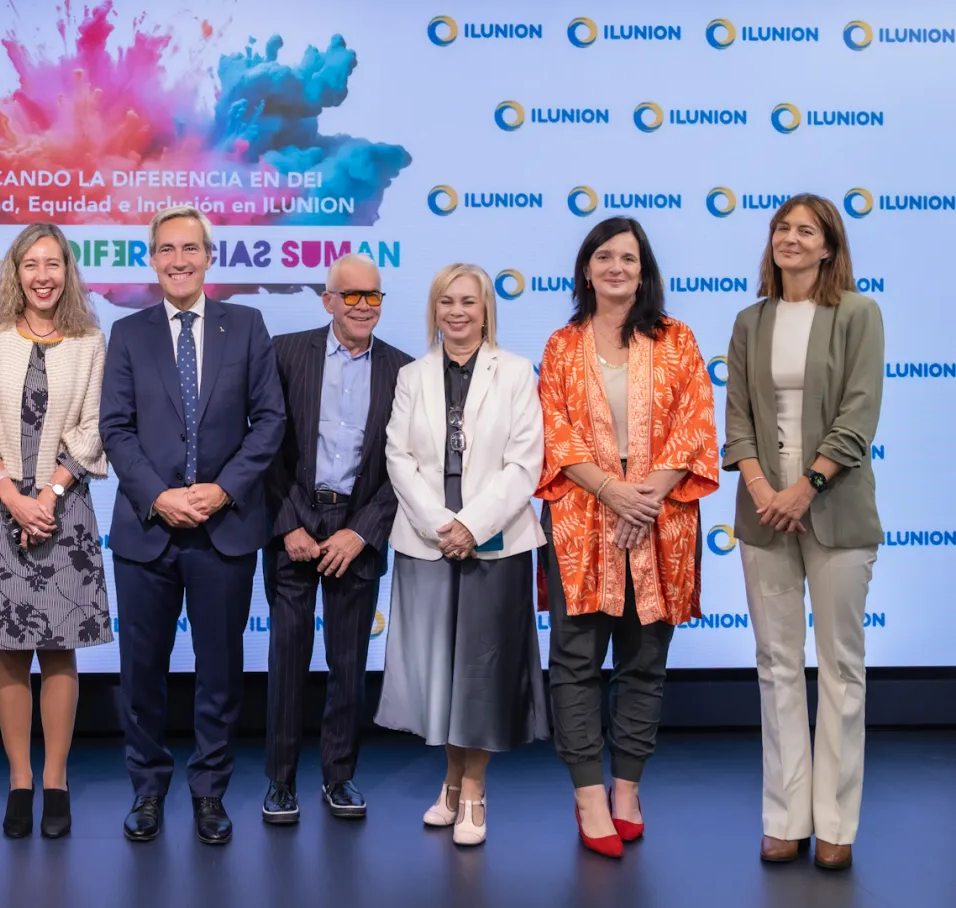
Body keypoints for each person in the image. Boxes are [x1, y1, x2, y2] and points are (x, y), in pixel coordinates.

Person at [100, 205, 285, 845]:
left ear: (210, 257)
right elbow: (115, 430)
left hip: (223, 530)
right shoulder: (127, 332)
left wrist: (222, 490)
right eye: (166, 250)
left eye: (190, 249)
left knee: (220, 674)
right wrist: (158, 495)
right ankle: (147, 790)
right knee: (141, 674)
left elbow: (270, 423)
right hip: (146, 531)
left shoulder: (248, 325)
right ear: (152, 260)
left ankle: (210, 792)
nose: (178, 260)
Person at [536, 217, 719, 858]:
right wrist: (612, 492)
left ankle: (627, 790)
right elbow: (555, 434)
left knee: (644, 664)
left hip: (660, 522)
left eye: (629, 259)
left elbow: (696, 426)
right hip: (581, 522)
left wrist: (646, 494)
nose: (617, 267)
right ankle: (588, 794)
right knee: (577, 663)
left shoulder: (677, 340)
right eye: (604, 257)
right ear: (586, 269)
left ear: (645, 272)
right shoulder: (562, 346)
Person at [723, 194, 884, 871]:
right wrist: (765, 492)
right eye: (782, 228)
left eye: (806, 230)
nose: (791, 238)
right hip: (764, 516)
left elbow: (859, 413)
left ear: (828, 247)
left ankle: (837, 823)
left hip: (836, 508)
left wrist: (803, 488)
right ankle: (785, 818)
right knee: (777, 667)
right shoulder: (749, 319)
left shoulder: (857, 314)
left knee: (842, 668)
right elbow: (737, 419)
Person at [0, 223, 111, 839]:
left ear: (67, 272)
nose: (43, 275)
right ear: (15, 272)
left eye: (54, 264)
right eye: (30, 264)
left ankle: (56, 780)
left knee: (59, 648)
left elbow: (93, 429)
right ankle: (20, 780)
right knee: (10, 648)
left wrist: (49, 494)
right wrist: (12, 495)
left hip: (64, 510)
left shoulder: (91, 341)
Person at [375, 263, 548, 847]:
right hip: (427, 542)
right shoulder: (412, 375)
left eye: (468, 302)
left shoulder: (518, 371)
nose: (457, 312)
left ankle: (472, 789)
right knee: (441, 673)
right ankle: (451, 780)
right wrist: (440, 523)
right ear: (433, 309)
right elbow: (398, 458)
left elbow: (525, 463)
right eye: (445, 301)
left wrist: (471, 525)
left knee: (483, 674)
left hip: (496, 542)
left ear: (485, 310)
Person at [261, 252, 409, 826]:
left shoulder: (403, 368)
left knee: (348, 667)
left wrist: (361, 533)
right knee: (286, 662)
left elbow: (406, 466)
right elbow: (264, 447)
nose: (363, 305)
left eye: (373, 295)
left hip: (358, 531)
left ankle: (339, 777)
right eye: (351, 295)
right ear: (327, 301)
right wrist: (288, 524)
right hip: (293, 524)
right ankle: (279, 781)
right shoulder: (285, 352)